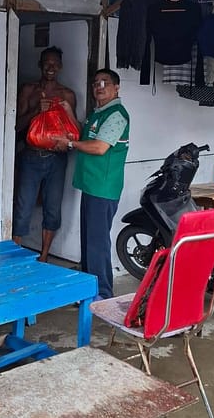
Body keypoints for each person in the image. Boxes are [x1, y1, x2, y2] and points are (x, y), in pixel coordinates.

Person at [53, 69, 129, 300]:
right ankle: (89, 290)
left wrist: (70, 145)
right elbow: (86, 135)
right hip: (92, 185)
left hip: (104, 187)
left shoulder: (116, 115)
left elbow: (99, 147)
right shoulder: (98, 113)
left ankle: (102, 292)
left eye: (105, 83)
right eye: (96, 83)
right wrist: (69, 113)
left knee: (97, 242)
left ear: (117, 88)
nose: (99, 87)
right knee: (89, 240)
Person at [12, 47, 77, 261]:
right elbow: (16, 126)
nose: (51, 67)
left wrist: (67, 143)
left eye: (55, 63)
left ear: (61, 67)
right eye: (47, 63)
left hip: (57, 160)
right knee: (23, 206)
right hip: (31, 156)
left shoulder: (67, 95)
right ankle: (14, 255)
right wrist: (36, 111)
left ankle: (44, 256)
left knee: (53, 208)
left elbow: (73, 131)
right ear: (40, 65)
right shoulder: (29, 90)